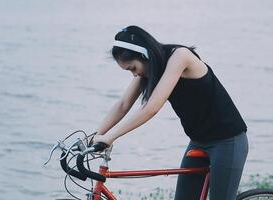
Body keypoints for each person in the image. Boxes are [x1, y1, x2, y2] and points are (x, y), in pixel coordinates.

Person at [92, 25, 248, 200]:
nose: (134, 75)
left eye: (133, 68)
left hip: (227, 142)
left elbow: (152, 108)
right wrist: (95, 136)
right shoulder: (149, 70)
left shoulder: (180, 57)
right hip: (198, 142)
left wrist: (111, 137)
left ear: (144, 55)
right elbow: (123, 104)